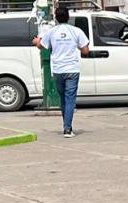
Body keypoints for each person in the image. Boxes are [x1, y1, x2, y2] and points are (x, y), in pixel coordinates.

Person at [34, 7, 90, 138]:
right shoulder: (76, 31)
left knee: (63, 99)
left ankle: (66, 126)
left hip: (58, 70)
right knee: (70, 99)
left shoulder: (51, 32)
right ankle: (68, 129)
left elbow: (41, 45)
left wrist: (36, 41)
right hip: (72, 70)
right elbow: (85, 50)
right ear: (68, 16)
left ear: (56, 17)